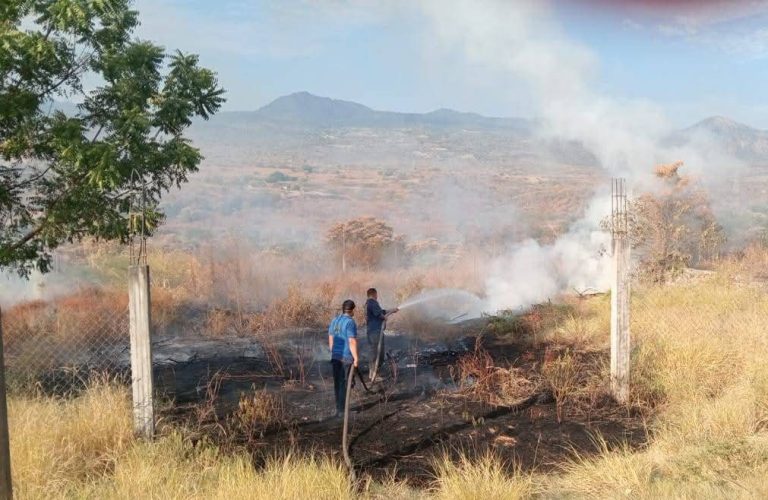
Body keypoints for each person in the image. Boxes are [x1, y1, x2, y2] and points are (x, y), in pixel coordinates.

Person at [328, 299, 359, 418]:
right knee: (345, 384)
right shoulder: (350, 322)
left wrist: (333, 351)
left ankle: (339, 409)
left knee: (338, 383)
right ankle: (343, 411)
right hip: (346, 357)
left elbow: (330, 337)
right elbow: (351, 341)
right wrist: (356, 358)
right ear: (352, 310)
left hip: (336, 356)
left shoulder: (335, 320)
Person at [365, 288, 398, 371]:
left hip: (372, 331)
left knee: (375, 352)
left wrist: (392, 310)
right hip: (375, 332)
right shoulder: (373, 303)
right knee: (377, 353)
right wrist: (385, 317)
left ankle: (373, 372)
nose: (377, 296)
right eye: (376, 295)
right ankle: (374, 372)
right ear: (374, 294)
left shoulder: (368, 303)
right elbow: (381, 315)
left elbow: (382, 311)